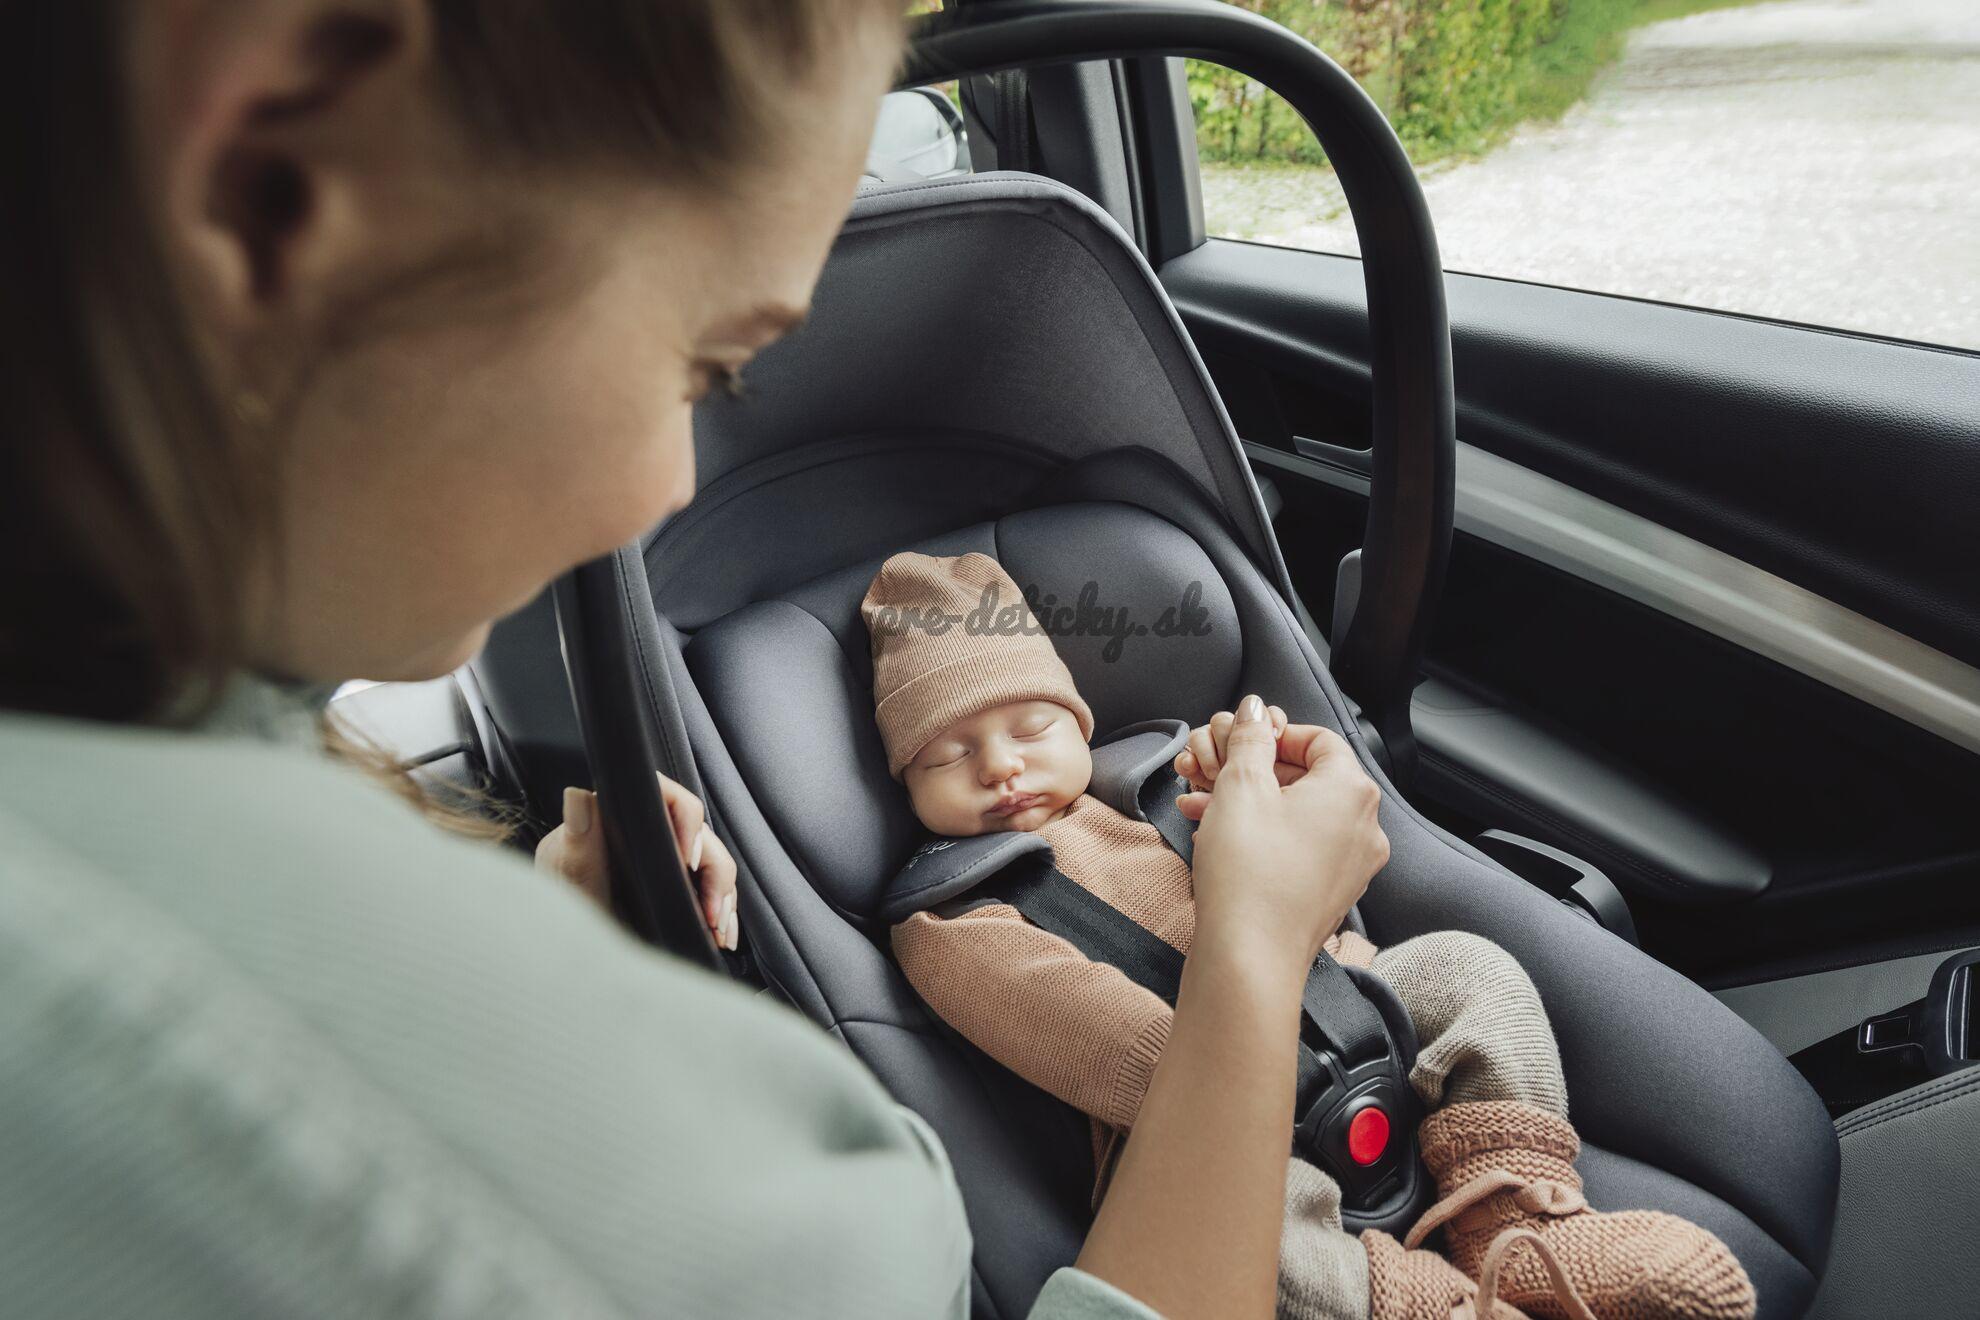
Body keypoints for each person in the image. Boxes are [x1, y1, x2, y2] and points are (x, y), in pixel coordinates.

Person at [1, 3, 1390, 1317]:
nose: (665, 489)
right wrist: (1255, 951)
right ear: (274, 185)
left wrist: (571, 977)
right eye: (698, 362)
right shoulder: (365, 1117)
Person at [860, 552, 1757, 1320]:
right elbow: (1083, 1033)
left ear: (1080, 724)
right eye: (948, 755)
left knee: (1469, 969)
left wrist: (1260, 794)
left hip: (1344, 998)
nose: (1001, 765)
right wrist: (1239, 1062)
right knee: (1265, 1243)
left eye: (1031, 727)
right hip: (1197, 1119)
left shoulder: (1155, 788)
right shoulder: (953, 914)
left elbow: (1309, 887)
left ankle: (1513, 1213)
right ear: (906, 781)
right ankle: (1422, 1301)